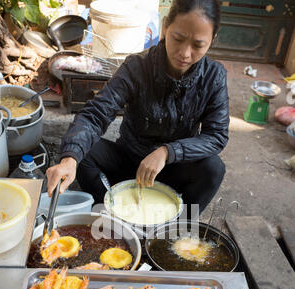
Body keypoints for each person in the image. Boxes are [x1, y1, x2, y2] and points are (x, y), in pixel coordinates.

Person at [46, 0, 229, 215]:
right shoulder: (137, 67)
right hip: (129, 162)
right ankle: (111, 213)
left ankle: (177, 231)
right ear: (165, 27)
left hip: (175, 169)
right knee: (80, 154)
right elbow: (96, 114)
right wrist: (70, 159)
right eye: (178, 38)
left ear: (212, 41)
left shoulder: (213, 76)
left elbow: (216, 135)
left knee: (213, 169)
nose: (185, 53)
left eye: (198, 45)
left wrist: (168, 152)